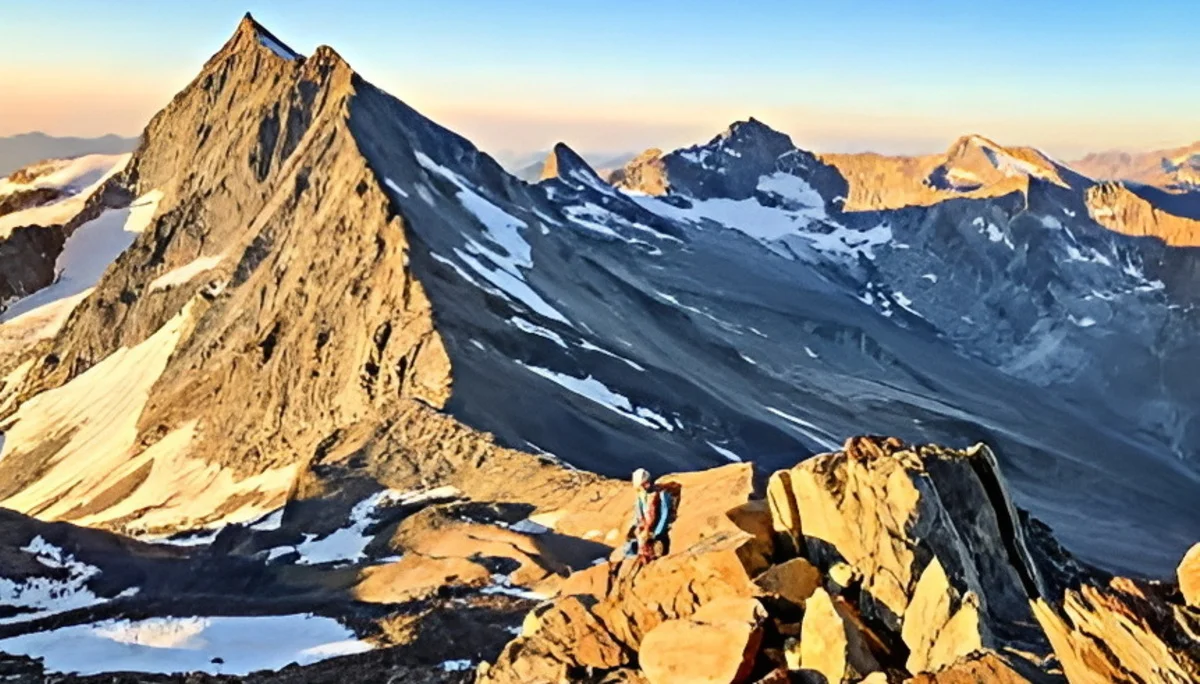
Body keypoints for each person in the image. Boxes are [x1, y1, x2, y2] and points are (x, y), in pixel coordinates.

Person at [623, 468, 679, 565]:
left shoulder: (661, 494)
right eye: (642, 485)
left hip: (658, 533)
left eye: (645, 483)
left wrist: (656, 533)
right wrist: (636, 528)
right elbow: (639, 513)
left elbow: (665, 515)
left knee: (656, 553)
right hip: (644, 531)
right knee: (628, 549)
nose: (645, 486)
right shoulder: (641, 496)